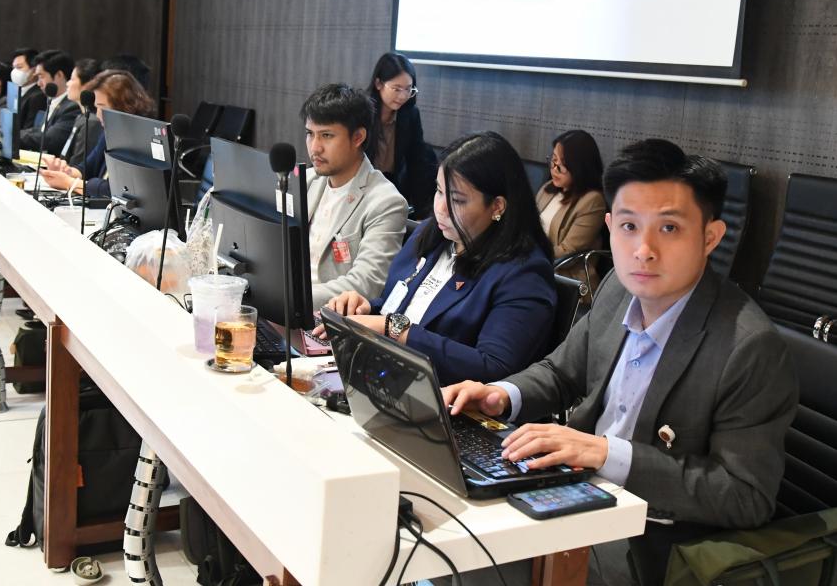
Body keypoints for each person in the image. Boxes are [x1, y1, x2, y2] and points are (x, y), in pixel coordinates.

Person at [441, 139, 799, 585]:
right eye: (629, 226)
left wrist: (608, 454)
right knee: (443, 524)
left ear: (710, 237)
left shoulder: (749, 347)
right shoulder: (617, 288)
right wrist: (500, 395)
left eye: (669, 228)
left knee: (469, 562)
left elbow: (746, 496)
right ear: (609, 227)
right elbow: (561, 372)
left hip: (654, 542)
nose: (643, 249)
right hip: (578, 495)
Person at [319, 131, 557, 385]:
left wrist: (394, 329)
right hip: (387, 376)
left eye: (457, 200)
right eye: (439, 191)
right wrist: (367, 308)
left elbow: (495, 367)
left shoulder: (524, 273)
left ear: (497, 206)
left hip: (443, 395)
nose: (440, 208)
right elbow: (407, 307)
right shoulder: (432, 235)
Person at [301, 83, 408, 308]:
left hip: (326, 317)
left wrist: (291, 297)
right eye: (310, 134)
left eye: (327, 135)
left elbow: (366, 284)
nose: (315, 147)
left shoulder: (385, 202)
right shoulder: (305, 180)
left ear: (358, 137)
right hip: (282, 308)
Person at [39, 70, 155, 198]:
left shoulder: (140, 141)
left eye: (102, 107)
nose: (98, 114)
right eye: (96, 107)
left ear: (123, 106)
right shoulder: (109, 133)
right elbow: (87, 167)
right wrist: (66, 172)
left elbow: (115, 190)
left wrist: (70, 183)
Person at [365, 52, 438, 219]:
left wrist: (421, 211)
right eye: (396, 89)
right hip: (362, 184)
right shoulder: (361, 112)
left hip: (391, 186)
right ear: (378, 83)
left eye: (408, 89)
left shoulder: (410, 114)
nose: (403, 96)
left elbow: (417, 161)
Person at [537, 129, 607, 294]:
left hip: (566, 278)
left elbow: (568, 252)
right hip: (537, 266)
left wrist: (529, 253)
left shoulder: (592, 201)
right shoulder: (548, 188)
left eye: (562, 165)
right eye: (553, 160)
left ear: (579, 167)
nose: (554, 169)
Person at [19, 51, 80, 155]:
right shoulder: (53, 99)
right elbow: (39, 131)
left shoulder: (72, 106)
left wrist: (11, 136)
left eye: (41, 76)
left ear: (59, 75)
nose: (38, 83)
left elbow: (49, 139)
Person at [59, 58, 103, 167]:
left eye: (72, 79)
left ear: (88, 85)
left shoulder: (92, 122)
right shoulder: (81, 117)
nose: (68, 83)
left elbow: (79, 164)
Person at [9, 47, 45, 131]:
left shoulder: (38, 96)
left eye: (19, 67)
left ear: (34, 70)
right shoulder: (15, 91)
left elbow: (30, 129)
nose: (14, 72)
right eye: (13, 68)